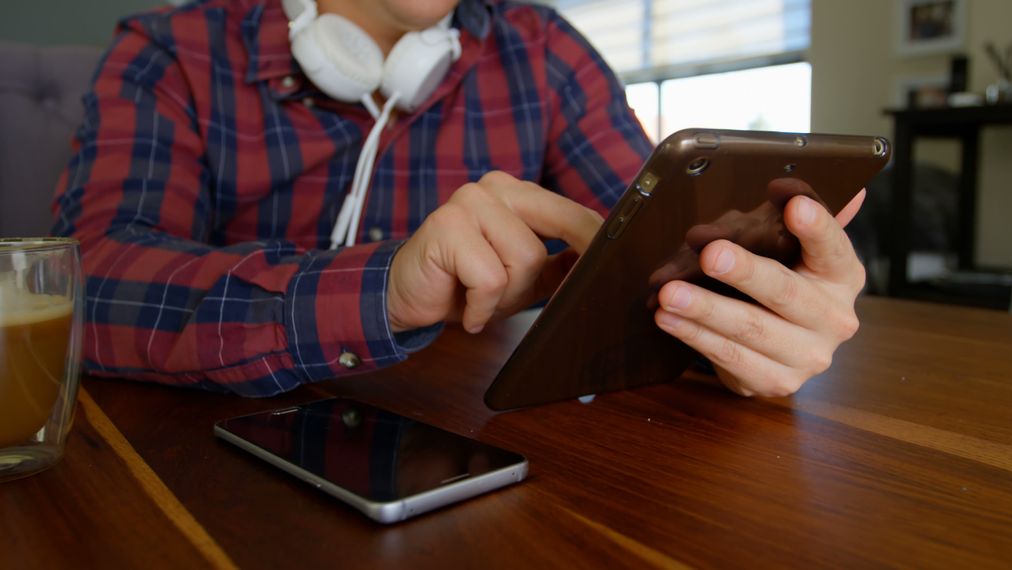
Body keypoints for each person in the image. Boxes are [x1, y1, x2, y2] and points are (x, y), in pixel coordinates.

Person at [52, 0, 866, 398]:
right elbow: (81, 284)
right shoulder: (171, 50)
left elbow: (657, 248)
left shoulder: (544, 50)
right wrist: (378, 288)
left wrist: (746, 316)